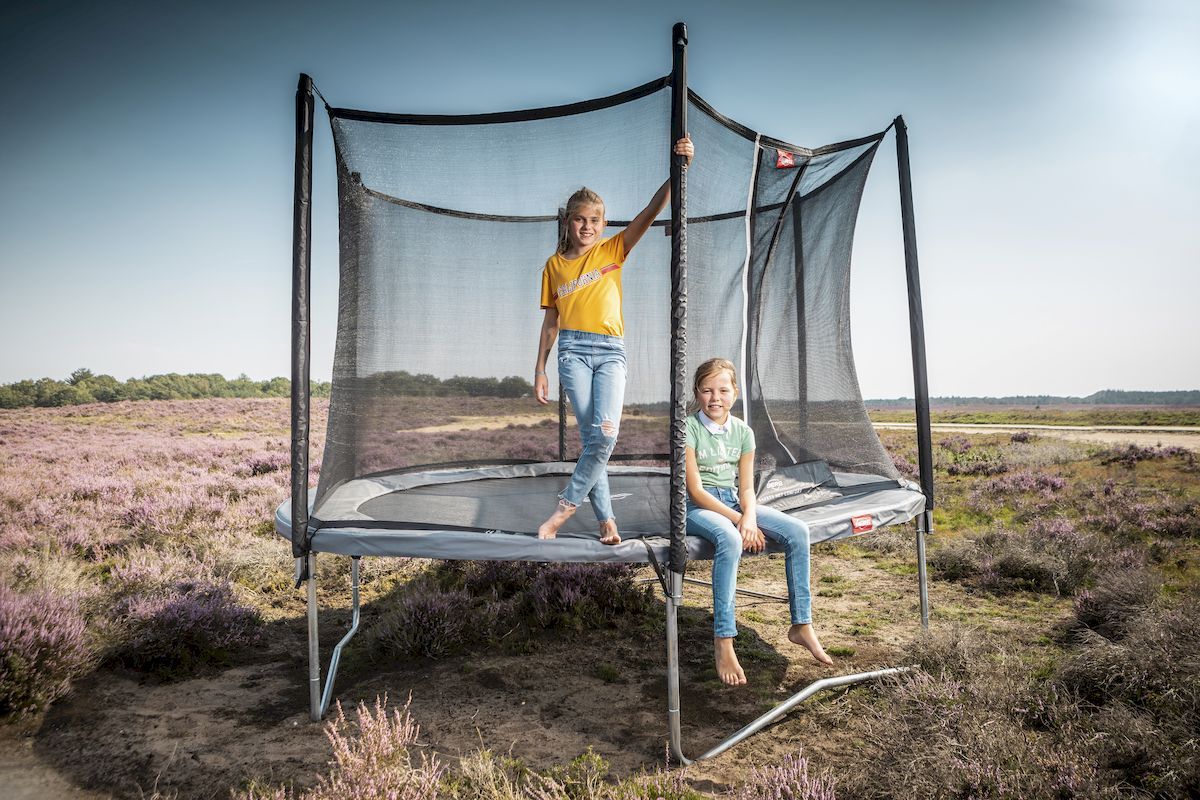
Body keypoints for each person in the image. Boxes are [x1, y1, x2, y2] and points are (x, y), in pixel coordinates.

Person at [534, 136, 695, 544]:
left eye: (594, 220)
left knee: (604, 434)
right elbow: (551, 321)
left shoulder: (613, 250)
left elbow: (650, 211)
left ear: (603, 225)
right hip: (571, 352)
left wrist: (679, 169)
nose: (587, 227)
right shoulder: (554, 266)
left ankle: (565, 507)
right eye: (579, 219)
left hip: (609, 352)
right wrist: (540, 370)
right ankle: (607, 521)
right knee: (594, 438)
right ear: (568, 222)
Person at [684, 357, 833, 685]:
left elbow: (746, 488)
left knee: (798, 531)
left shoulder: (742, 432)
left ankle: (801, 624)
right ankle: (724, 640)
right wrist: (739, 521)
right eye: (707, 390)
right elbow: (696, 491)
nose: (715, 397)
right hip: (697, 508)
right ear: (697, 393)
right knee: (730, 539)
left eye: (723, 390)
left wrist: (749, 516)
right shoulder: (689, 429)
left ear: (734, 393)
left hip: (733, 500)